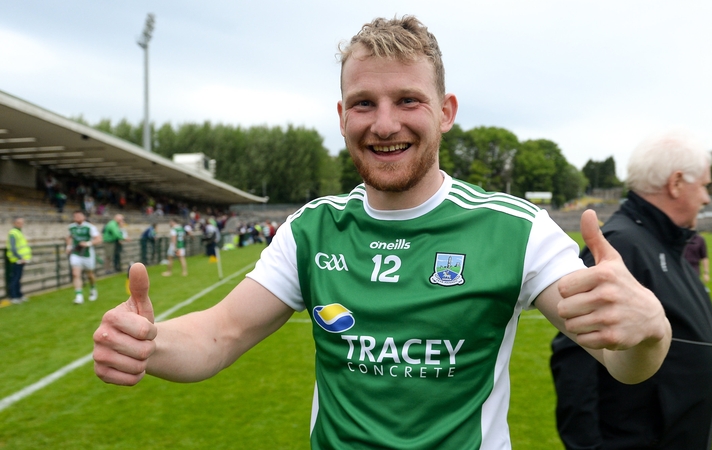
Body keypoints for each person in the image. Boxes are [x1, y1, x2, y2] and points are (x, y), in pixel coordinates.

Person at [93, 16, 672, 449]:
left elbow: (619, 360)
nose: (385, 124)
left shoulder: (516, 230)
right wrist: (149, 343)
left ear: (444, 112)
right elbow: (220, 334)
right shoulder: (314, 229)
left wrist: (648, 332)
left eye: (407, 101)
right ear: (342, 116)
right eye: (363, 103)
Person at [550, 131, 712, 449]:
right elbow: (576, 358)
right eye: (705, 186)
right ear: (677, 183)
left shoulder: (664, 243)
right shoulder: (622, 245)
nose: (707, 198)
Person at [67, 210, 102, 304]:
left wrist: (87, 243)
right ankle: (79, 296)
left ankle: (93, 288)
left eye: (79, 215)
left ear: (83, 217)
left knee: (90, 275)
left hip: (87, 254)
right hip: (76, 254)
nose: (77, 217)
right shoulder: (71, 227)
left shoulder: (90, 227)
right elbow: (69, 237)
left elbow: (98, 239)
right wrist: (69, 247)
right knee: (75, 273)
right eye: (75, 216)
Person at [6, 217, 32, 304]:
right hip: (16, 259)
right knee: (15, 278)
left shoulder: (19, 232)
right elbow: (13, 248)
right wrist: (20, 257)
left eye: (22, 223)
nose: (21, 224)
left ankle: (19, 295)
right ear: (14, 223)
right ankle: (14, 296)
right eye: (18, 223)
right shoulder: (13, 233)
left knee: (18, 278)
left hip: (21, 259)